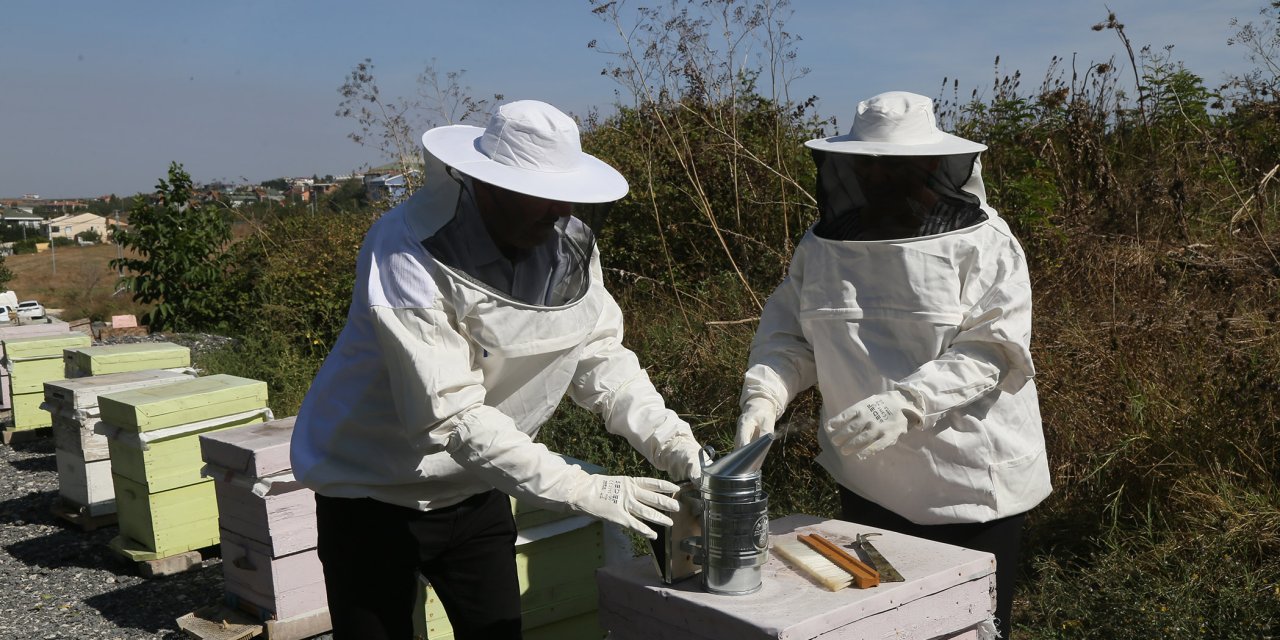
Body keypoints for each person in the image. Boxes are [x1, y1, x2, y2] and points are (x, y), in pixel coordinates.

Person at [290, 100, 705, 640]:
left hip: (476, 488)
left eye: (567, 199)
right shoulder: (405, 253)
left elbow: (602, 360)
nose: (558, 212)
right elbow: (453, 416)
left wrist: (676, 444)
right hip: (369, 490)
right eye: (540, 197)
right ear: (486, 185)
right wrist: (590, 490)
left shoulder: (567, 246)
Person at [735, 91, 1051, 639]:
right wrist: (765, 395)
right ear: (850, 166)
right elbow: (792, 336)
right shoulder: (822, 246)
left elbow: (992, 348)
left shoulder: (985, 243)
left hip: (969, 485)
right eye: (870, 168)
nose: (882, 181)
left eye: (897, 169)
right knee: (878, 624)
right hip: (867, 479)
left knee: (966, 628)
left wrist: (907, 403)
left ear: (934, 163)